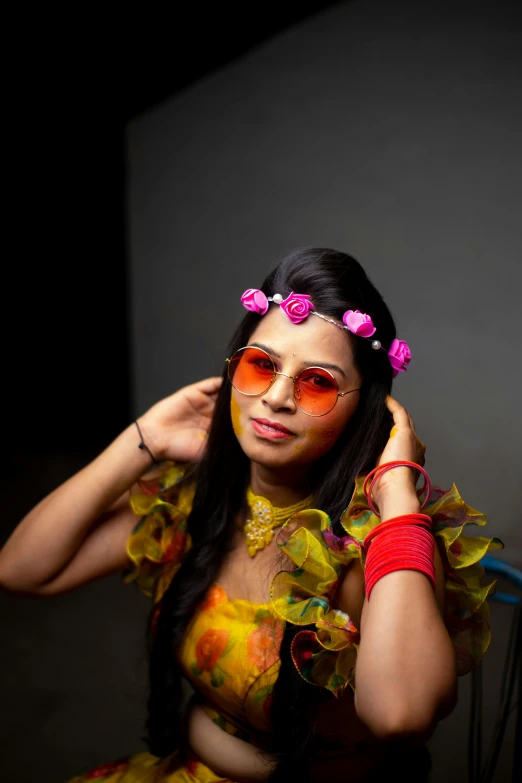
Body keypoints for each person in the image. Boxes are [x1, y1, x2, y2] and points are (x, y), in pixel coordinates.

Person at [0, 247, 502, 782]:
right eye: (262, 365)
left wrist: (398, 492)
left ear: (367, 410)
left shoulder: (377, 542)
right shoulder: (198, 502)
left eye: (317, 382)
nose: (278, 398)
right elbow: (22, 569)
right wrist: (141, 438)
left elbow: (401, 717)